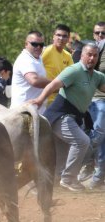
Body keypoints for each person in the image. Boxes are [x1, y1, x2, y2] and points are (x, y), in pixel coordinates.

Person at [29, 43, 105, 192]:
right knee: (82, 142)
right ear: (82, 55)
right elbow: (53, 85)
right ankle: (69, 179)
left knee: (64, 152)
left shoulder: (97, 77)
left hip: (73, 117)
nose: (91, 58)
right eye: (89, 54)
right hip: (59, 116)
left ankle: (53, 182)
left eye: (95, 55)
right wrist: (39, 100)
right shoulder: (74, 70)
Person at [81, 21, 105, 188]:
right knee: (96, 134)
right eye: (97, 33)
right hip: (93, 100)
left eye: (103, 33)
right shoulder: (91, 51)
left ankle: (97, 175)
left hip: (99, 100)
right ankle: (88, 165)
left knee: (100, 136)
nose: (100, 36)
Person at [11, 31, 50, 114]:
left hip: (35, 113)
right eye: (34, 44)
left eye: (41, 45)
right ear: (26, 44)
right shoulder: (25, 59)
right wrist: (57, 83)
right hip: (22, 114)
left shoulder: (37, 58)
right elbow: (34, 80)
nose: (38, 47)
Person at [42, 24, 73, 104]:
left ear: (68, 39)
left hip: (61, 99)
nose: (61, 38)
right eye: (58, 35)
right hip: (45, 99)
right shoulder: (47, 51)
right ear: (53, 37)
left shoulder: (68, 56)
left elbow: (72, 76)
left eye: (64, 36)